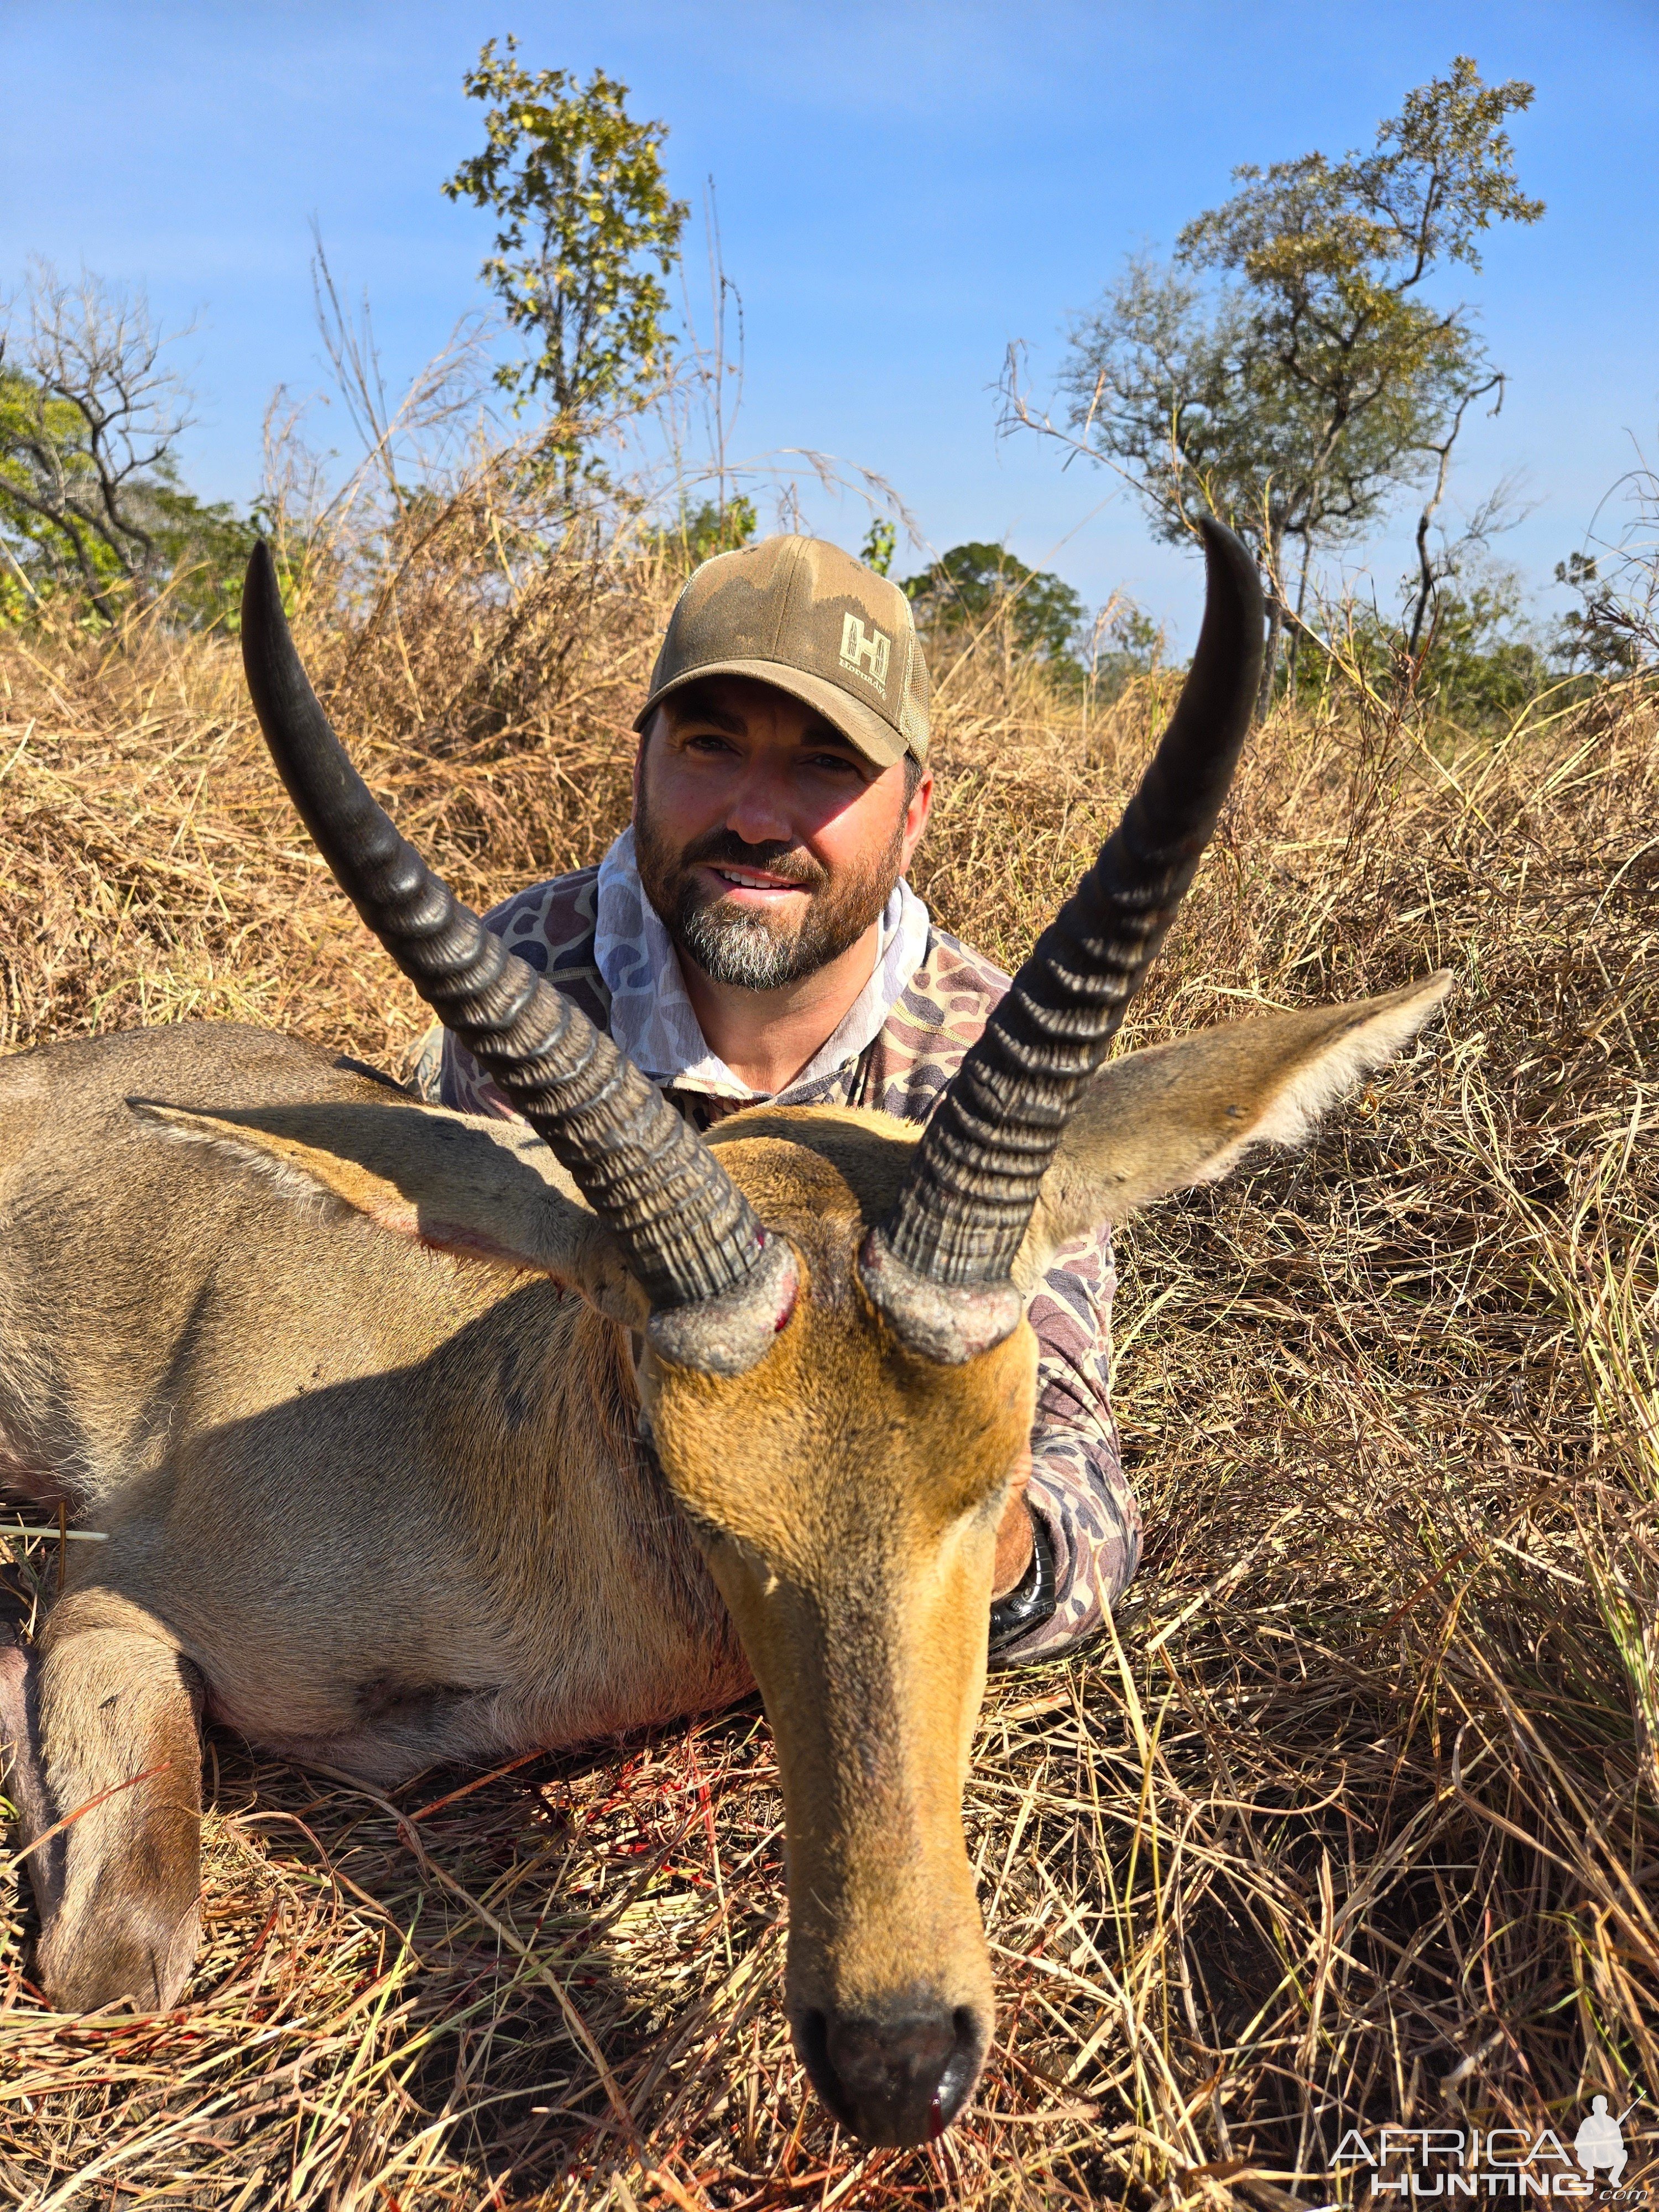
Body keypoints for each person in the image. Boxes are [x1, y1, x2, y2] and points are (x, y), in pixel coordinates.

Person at [416, 533, 1136, 1666]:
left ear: (915, 811)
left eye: (825, 764)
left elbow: (1078, 1492)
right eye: (709, 745)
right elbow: (465, 1396)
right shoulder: (520, 983)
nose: (757, 815)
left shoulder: (1001, 1064)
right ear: (642, 759)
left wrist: (981, 1538)